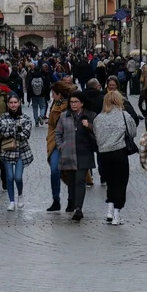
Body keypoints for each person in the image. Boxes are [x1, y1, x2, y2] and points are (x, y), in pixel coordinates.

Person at [94, 90, 139, 225]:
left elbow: (96, 135)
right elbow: (132, 132)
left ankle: (109, 209)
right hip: (119, 152)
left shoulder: (98, 118)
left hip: (104, 153)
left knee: (110, 182)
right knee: (121, 182)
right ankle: (117, 214)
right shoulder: (124, 115)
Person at [56, 91, 98, 221]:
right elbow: (57, 133)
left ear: (82, 103)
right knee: (72, 181)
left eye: (76, 102)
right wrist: (61, 146)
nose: (73, 104)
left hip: (84, 152)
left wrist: (89, 126)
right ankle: (73, 202)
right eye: (71, 102)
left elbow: (98, 132)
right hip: (68, 153)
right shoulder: (64, 116)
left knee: (80, 180)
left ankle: (78, 208)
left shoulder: (90, 115)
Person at [0, 95, 34, 211]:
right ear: (8, 104)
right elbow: (3, 132)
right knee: (9, 177)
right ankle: (11, 201)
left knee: (18, 177)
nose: (13, 105)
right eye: (11, 102)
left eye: (15, 102)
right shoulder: (3, 117)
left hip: (21, 151)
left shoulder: (26, 118)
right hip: (7, 151)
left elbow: (25, 135)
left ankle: (20, 194)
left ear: (19, 103)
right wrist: (17, 130)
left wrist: (13, 131)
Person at [44, 81, 71, 212]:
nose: (52, 97)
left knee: (72, 171)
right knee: (54, 169)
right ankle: (56, 200)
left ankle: (72, 200)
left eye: (54, 94)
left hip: (70, 141)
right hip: (55, 141)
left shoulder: (72, 103)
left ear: (60, 94)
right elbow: (50, 123)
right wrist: (49, 137)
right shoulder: (55, 104)